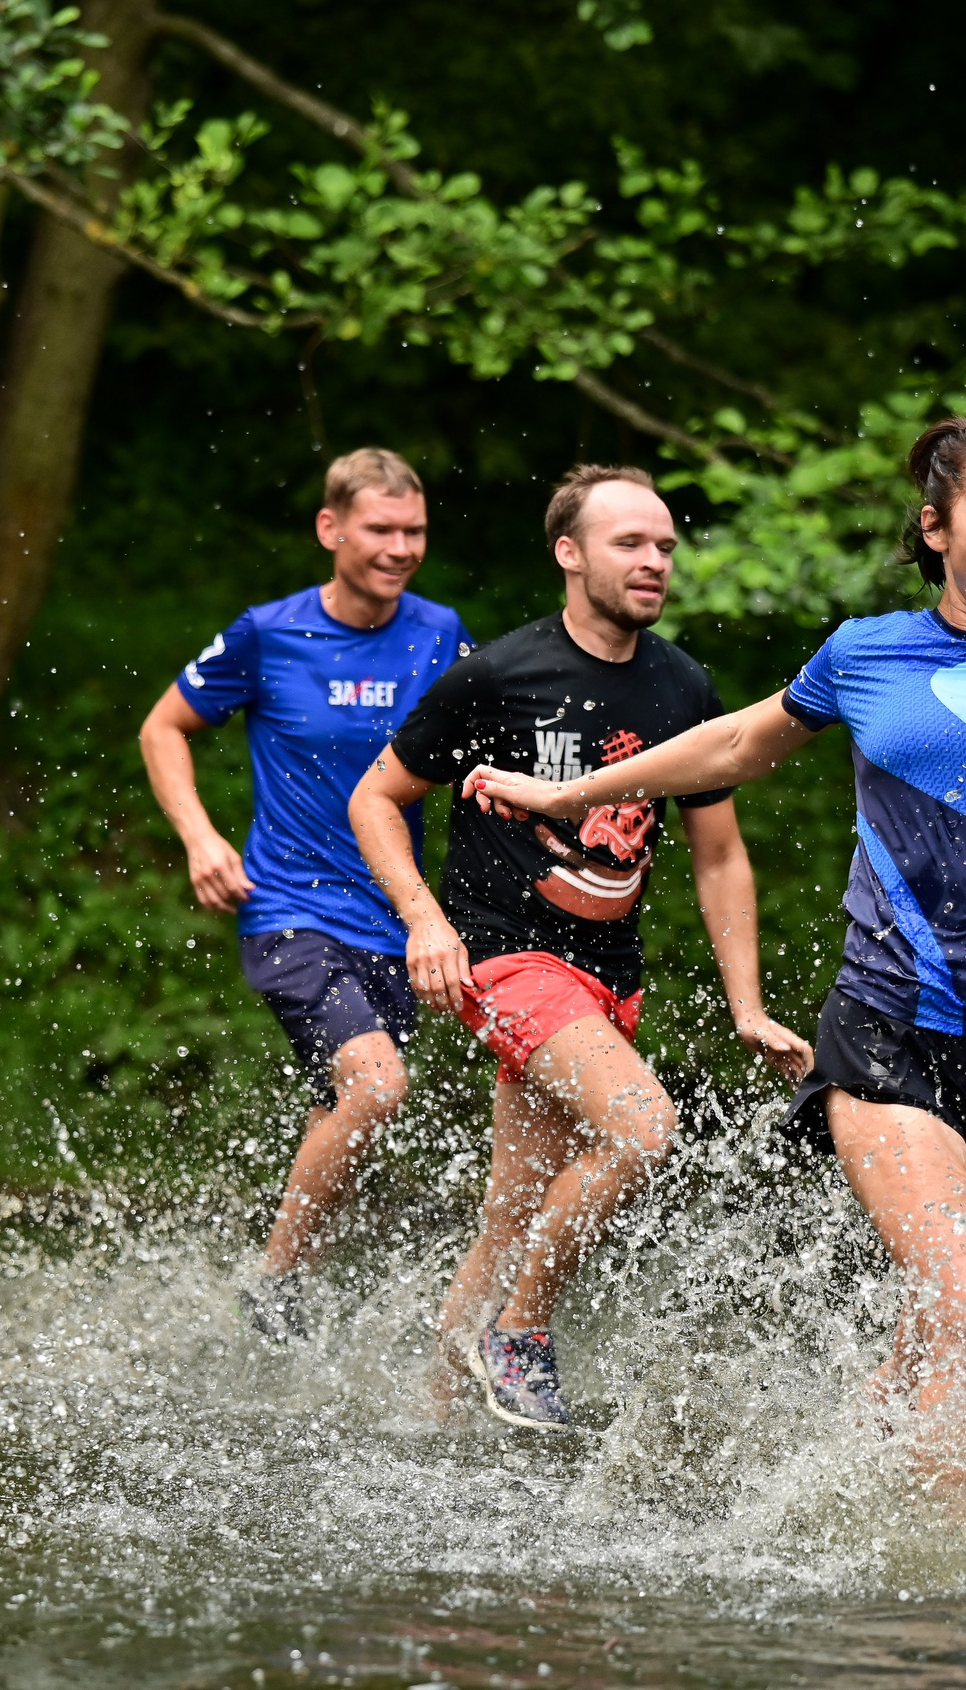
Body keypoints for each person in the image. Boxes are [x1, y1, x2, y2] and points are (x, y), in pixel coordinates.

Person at [461, 420, 966, 1470]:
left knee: (944, 1333)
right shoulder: (866, 652)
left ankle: (836, 1496)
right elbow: (734, 742)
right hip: (894, 1023)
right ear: (937, 529)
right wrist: (569, 793)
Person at [350, 464, 814, 1430]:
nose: (654, 561)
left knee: (515, 1211)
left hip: (609, 975)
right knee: (642, 1127)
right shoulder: (496, 677)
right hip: (506, 958)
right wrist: (424, 919)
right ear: (570, 553)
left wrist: (747, 1005)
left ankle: (435, 1424)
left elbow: (719, 853)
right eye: (629, 543)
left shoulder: (683, 685)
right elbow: (376, 797)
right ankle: (518, 1335)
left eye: (665, 547)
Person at [139, 448, 473, 1341]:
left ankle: (286, 1292)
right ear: (331, 529)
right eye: (381, 529)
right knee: (379, 1085)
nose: (400, 548)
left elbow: (484, 744)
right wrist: (200, 837)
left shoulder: (441, 632)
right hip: (290, 908)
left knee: (349, 1102)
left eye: (415, 531)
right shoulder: (267, 633)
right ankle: (277, 1283)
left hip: (394, 920)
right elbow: (164, 727)